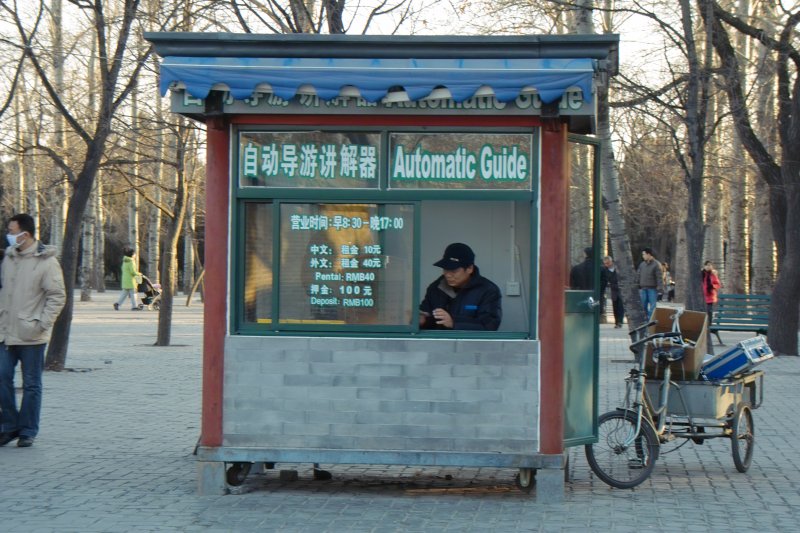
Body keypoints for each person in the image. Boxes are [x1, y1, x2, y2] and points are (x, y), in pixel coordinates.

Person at [0, 213, 66, 448]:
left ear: (24, 234)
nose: (8, 234)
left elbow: (57, 296)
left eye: (11, 230)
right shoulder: (8, 258)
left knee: (31, 384)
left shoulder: (46, 261)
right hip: (6, 332)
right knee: (2, 377)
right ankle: (9, 426)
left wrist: (42, 323)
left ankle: (28, 430)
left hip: (31, 334)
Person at [419, 242, 502, 330]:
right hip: (438, 342)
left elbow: (490, 325)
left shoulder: (488, 290)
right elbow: (427, 314)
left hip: (470, 343)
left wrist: (454, 323)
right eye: (445, 269)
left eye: (454, 271)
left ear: (470, 268)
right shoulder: (436, 288)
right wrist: (422, 320)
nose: (448, 275)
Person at [637, 247, 663, 320]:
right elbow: (638, 275)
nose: (643, 256)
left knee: (652, 307)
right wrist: (637, 285)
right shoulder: (642, 265)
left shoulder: (656, 264)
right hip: (643, 289)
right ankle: (645, 321)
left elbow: (659, 278)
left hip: (652, 289)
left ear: (649, 254)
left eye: (644, 254)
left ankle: (651, 322)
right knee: (643, 306)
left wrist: (660, 289)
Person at [600, 255, 625, 328]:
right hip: (613, 289)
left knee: (620, 306)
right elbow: (604, 279)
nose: (606, 265)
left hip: (620, 288)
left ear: (611, 262)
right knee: (615, 305)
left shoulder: (618, 268)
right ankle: (616, 322)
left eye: (608, 263)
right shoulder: (604, 270)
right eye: (605, 263)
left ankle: (620, 321)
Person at [702, 260, 722, 326]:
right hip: (702, 296)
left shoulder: (713, 275)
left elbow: (718, 284)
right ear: (704, 266)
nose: (708, 267)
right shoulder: (701, 274)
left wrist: (713, 286)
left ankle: (709, 324)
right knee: (703, 311)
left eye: (710, 265)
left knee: (709, 311)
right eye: (707, 265)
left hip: (710, 295)